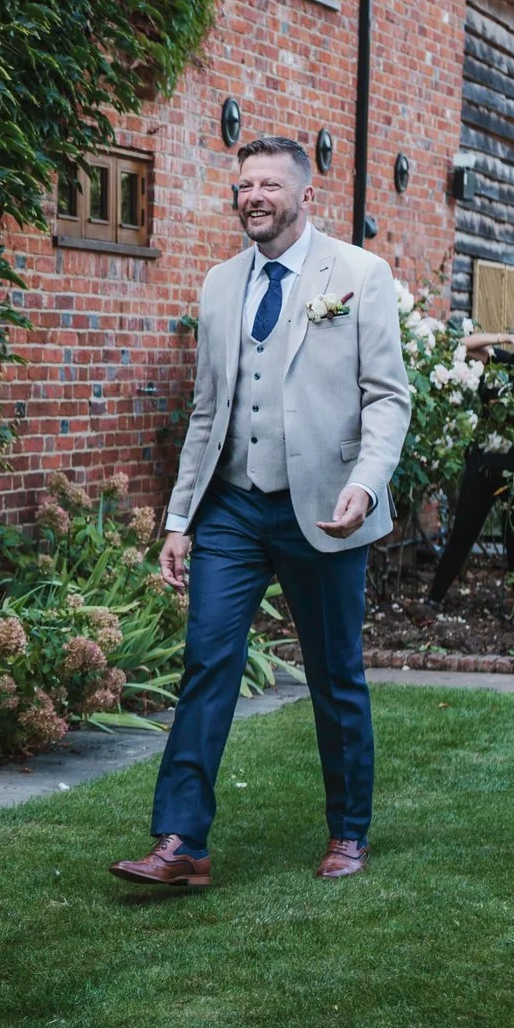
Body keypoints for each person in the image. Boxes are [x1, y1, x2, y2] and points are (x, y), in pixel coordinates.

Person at [110, 136, 411, 890]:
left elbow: (388, 396)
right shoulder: (218, 285)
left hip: (325, 509)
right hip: (234, 510)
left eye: (270, 185)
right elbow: (208, 409)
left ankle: (348, 833)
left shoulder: (358, 274)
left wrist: (367, 484)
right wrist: (180, 520)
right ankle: (182, 842)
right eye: (245, 184)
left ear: (306, 197)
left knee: (335, 674)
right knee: (207, 663)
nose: (254, 197)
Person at [423, 330, 514, 609]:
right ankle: (433, 600)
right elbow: (461, 346)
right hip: (482, 465)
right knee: (462, 533)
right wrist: (504, 338)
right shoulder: (503, 363)